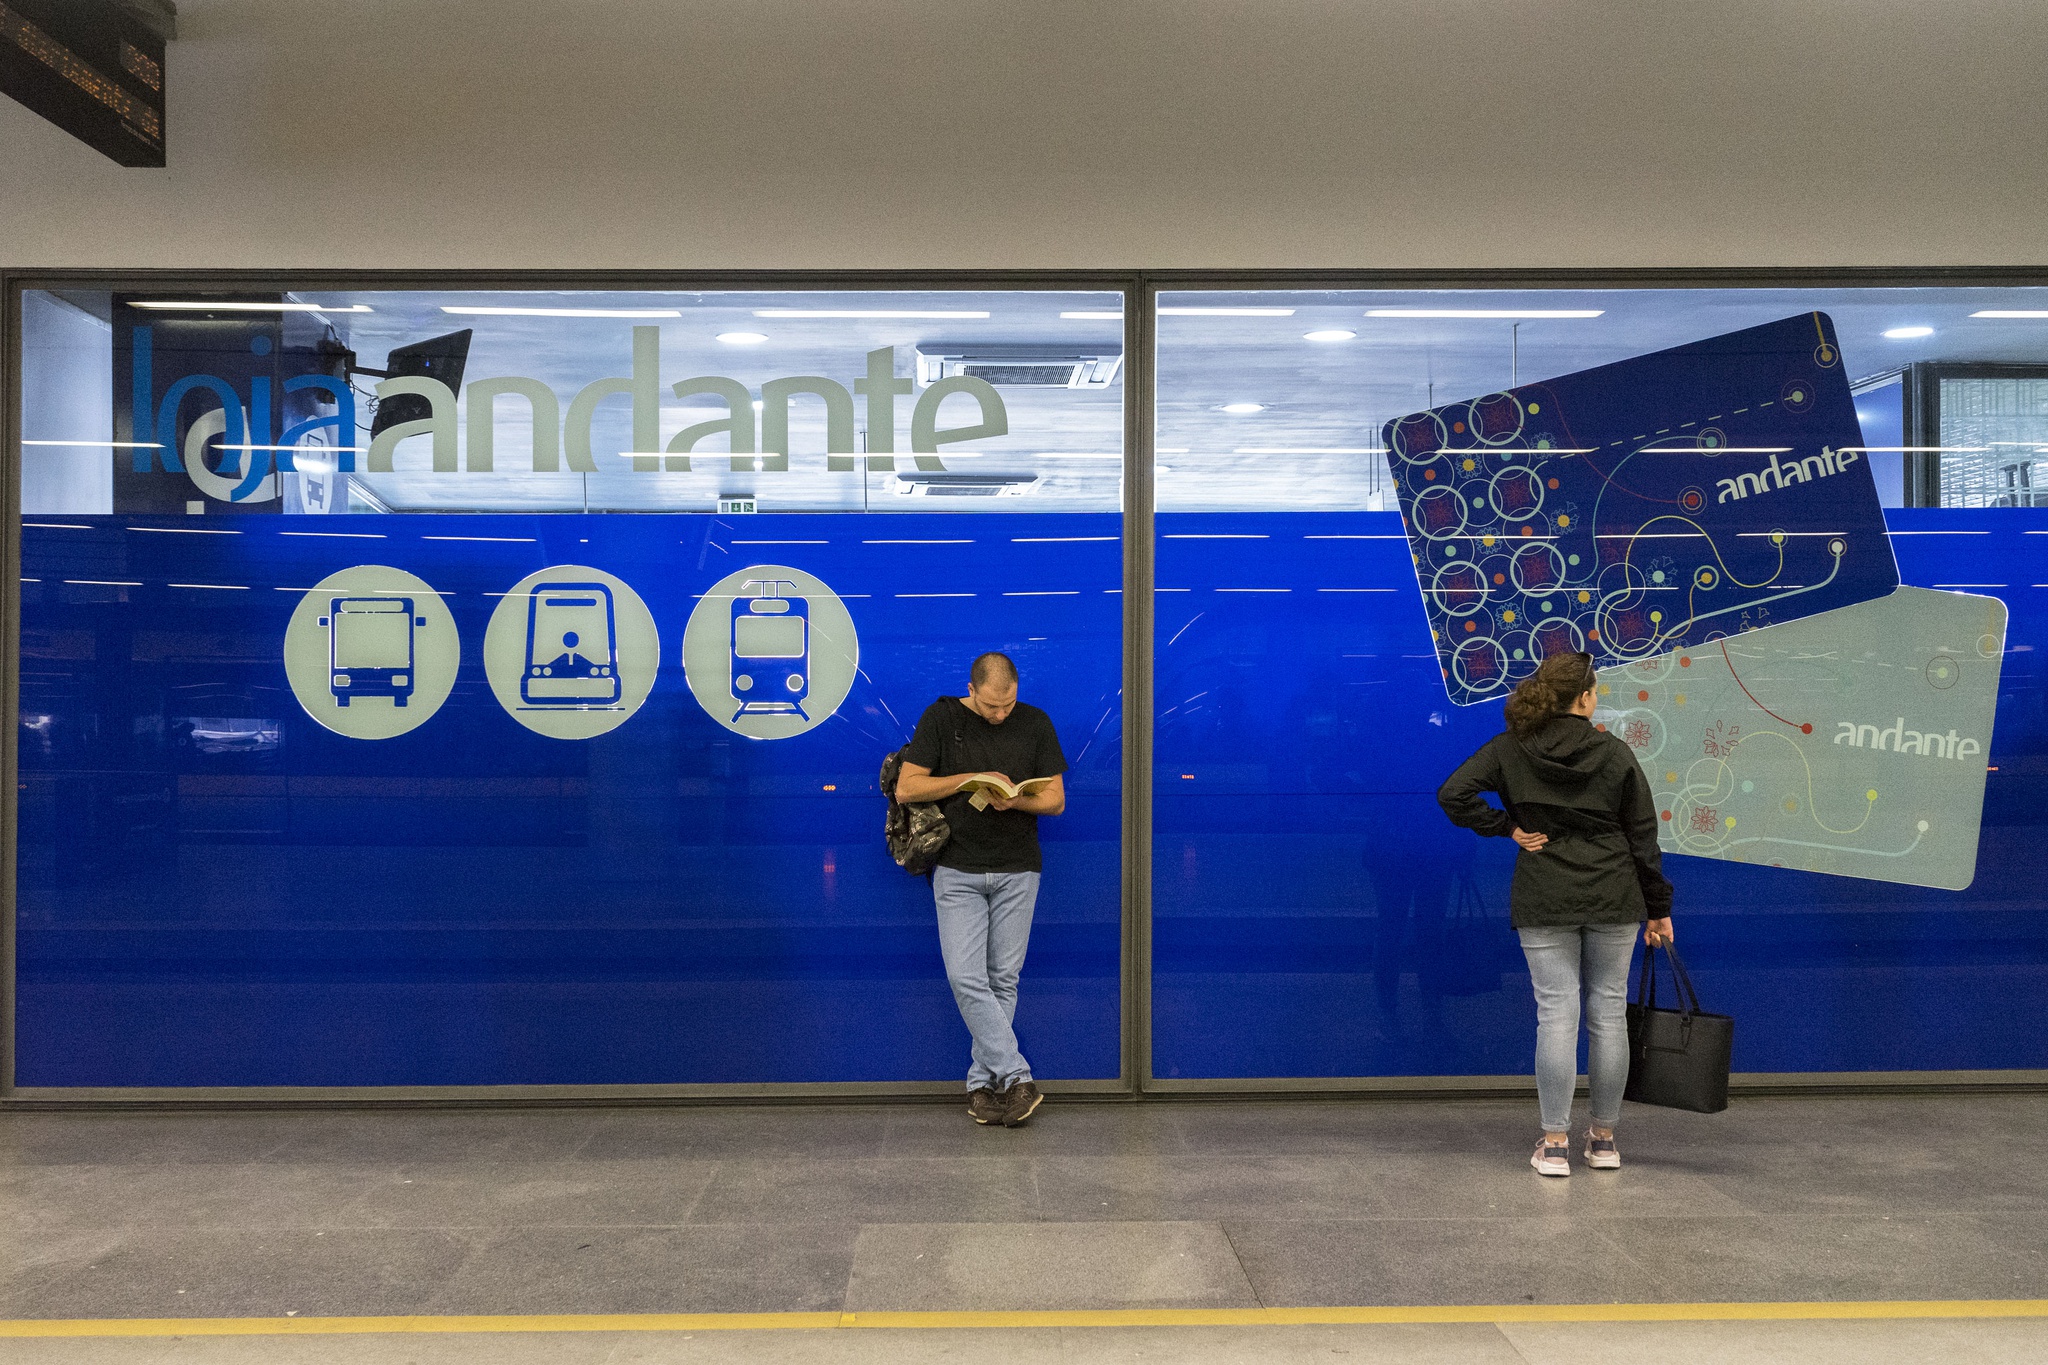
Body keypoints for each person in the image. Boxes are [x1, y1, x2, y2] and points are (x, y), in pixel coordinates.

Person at [1436, 650, 1674, 1177]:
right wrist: (1658, 908)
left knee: (1556, 1016)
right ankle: (1604, 1141)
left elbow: (1453, 793)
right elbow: (1643, 837)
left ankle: (1555, 1144)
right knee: (1608, 1014)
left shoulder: (1510, 748)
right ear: (1585, 698)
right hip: (1614, 894)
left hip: (1544, 892)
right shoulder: (1614, 753)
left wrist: (1508, 828)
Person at [895, 652, 1068, 1127]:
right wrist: (969, 781)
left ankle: (982, 1087)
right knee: (966, 978)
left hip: (1018, 868)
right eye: (991, 705)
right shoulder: (941, 718)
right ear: (971, 689)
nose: (1000, 714)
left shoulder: (1035, 722)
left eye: (1008, 704)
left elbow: (1055, 800)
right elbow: (907, 788)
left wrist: (1016, 802)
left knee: (1002, 980)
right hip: (957, 868)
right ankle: (1017, 1075)